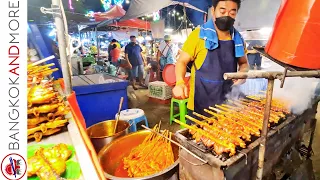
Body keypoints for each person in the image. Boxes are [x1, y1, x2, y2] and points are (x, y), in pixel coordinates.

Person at [172, 0, 249, 124]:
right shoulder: (198, 35)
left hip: (227, 104)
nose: (226, 16)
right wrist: (180, 82)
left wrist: (243, 73)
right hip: (200, 104)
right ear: (213, 11)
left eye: (232, 13)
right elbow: (181, 62)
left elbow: (244, 63)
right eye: (222, 11)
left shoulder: (238, 39)